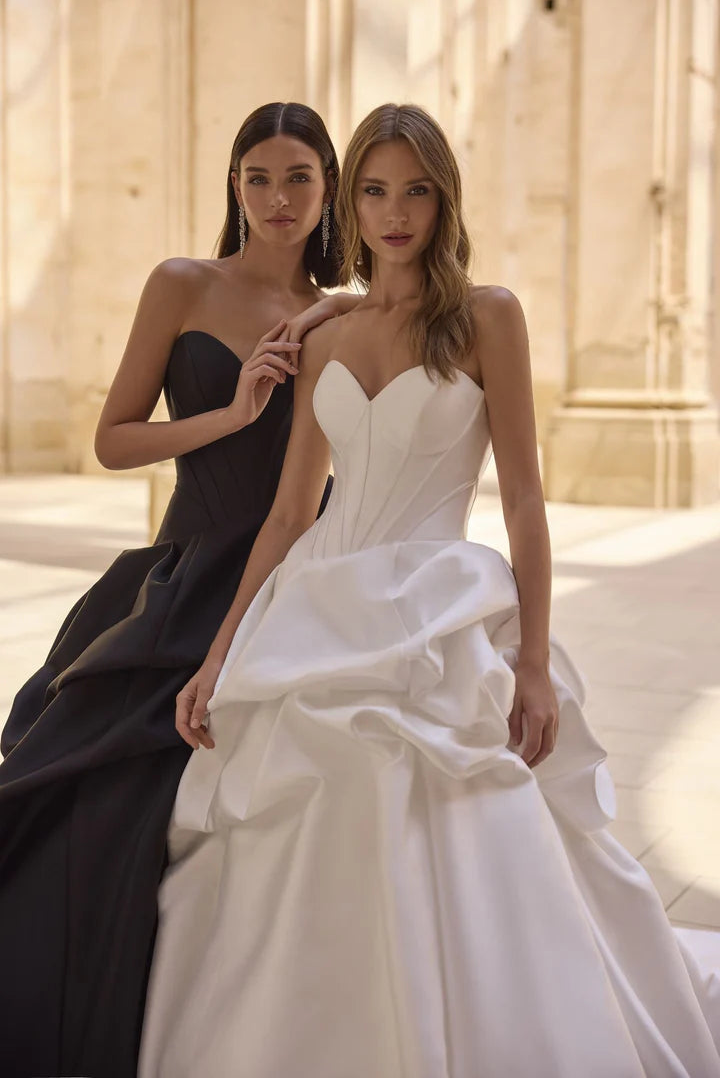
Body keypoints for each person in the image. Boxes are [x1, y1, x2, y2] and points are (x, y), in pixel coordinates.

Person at [140, 104, 720, 1077]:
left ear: (443, 197)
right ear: (350, 201)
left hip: (434, 602)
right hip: (318, 602)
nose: (394, 211)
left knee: (442, 815)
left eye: (416, 189)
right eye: (374, 189)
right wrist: (220, 652)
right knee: (297, 827)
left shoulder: (487, 315)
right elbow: (289, 517)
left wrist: (532, 663)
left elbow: (527, 503)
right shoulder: (325, 333)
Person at [0, 101, 358, 1078]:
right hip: (185, 571)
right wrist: (236, 411)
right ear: (233, 185)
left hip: (296, 580)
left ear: (329, 189)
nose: (277, 199)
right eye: (257, 177)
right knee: (102, 795)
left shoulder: (347, 309)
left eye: (299, 178)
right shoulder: (183, 285)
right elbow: (113, 439)